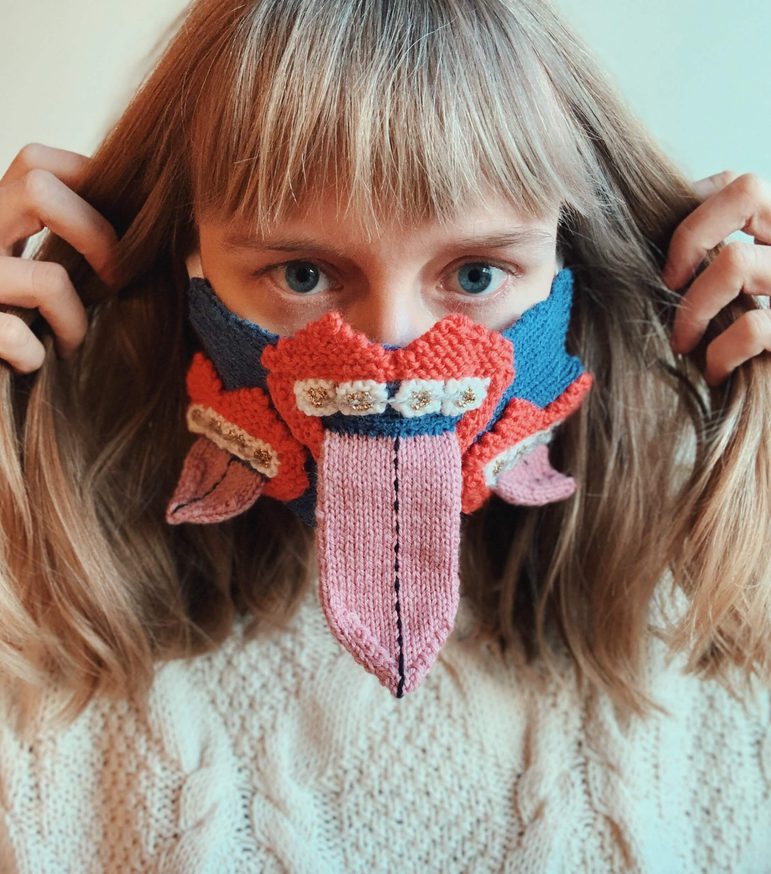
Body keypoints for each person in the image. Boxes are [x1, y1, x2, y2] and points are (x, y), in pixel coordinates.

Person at [0, 0, 769, 870]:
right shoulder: (32, 594)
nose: (392, 347)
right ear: (183, 258)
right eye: (302, 273)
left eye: (475, 272)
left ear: (572, 260)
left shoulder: (714, 572)